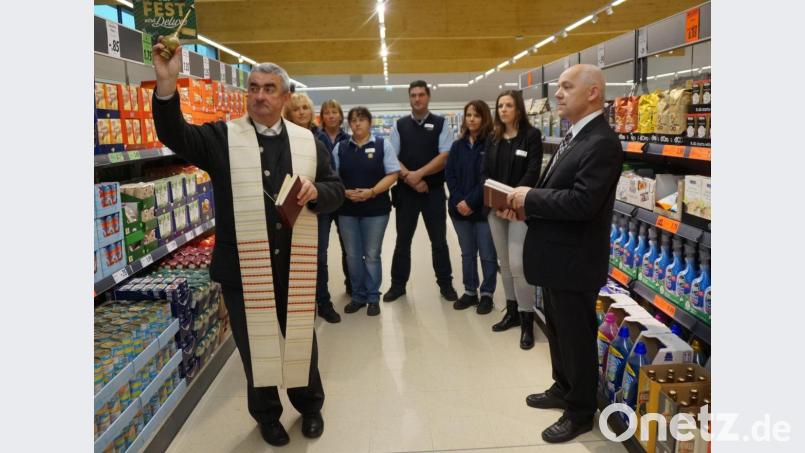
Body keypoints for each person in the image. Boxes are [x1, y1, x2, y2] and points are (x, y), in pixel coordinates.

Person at [151, 40, 345, 447]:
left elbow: (336, 190)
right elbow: (175, 134)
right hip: (242, 267)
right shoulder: (223, 137)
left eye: (269, 88)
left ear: (285, 96)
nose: (259, 95)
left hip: (296, 262)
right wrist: (166, 85)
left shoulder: (309, 142)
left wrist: (316, 193)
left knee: (298, 338)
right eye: (253, 87)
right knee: (253, 344)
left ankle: (309, 405)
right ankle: (267, 415)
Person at [508, 64, 623, 443]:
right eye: (558, 87)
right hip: (556, 257)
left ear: (592, 93)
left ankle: (580, 411)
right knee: (557, 329)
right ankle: (563, 387)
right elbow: (560, 193)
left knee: (576, 336)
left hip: (576, 260)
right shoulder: (575, 137)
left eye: (566, 86)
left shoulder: (602, 142)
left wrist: (531, 197)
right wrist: (527, 205)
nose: (557, 93)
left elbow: (583, 202)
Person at [384, 80, 458, 303]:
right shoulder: (400, 125)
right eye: (413, 95)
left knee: (439, 241)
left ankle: (445, 284)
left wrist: (420, 174)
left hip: (433, 192)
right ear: (409, 97)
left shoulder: (441, 124)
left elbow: (445, 156)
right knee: (402, 241)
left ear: (428, 97)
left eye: (421, 95)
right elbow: (392, 157)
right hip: (406, 193)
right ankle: (398, 285)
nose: (417, 99)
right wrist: (411, 178)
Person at [483, 90, 543, 349]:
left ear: (518, 109)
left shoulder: (531, 136)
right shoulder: (493, 138)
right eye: (499, 106)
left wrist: (512, 200)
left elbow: (533, 170)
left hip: (519, 209)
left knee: (518, 265)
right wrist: (496, 201)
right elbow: (486, 171)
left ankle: (527, 319)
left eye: (508, 105)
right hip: (496, 210)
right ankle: (511, 312)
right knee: (504, 263)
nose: (503, 110)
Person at [332, 107, 400, 316]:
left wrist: (371, 192)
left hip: (376, 210)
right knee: (352, 255)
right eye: (353, 120)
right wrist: (343, 192)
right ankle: (358, 296)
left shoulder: (382, 145)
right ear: (349, 124)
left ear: (369, 122)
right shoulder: (340, 148)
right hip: (347, 210)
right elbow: (332, 176)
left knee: (371, 255)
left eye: (361, 120)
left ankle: (372, 297)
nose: (357, 124)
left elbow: (393, 173)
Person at [283, 93, 342, 323]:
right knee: (294, 256)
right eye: (296, 108)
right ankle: (300, 305)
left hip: (318, 208)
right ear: (289, 112)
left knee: (319, 256)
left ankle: (323, 302)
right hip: (291, 206)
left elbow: (331, 175)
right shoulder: (283, 138)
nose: (301, 112)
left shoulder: (321, 139)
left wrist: (317, 189)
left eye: (305, 107)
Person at [444, 100, 497, 314]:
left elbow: (488, 178)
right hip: (459, 211)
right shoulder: (457, 146)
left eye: (476, 115)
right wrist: (458, 200)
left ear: (485, 118)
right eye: (468, 115)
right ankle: (469, 291)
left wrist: (471, 202)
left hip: (483, 210)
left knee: (487, 254)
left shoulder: (492, 144)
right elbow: (450, 175)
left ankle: (487, 294)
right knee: (467, 253)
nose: (472, 119)